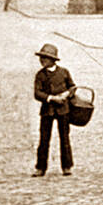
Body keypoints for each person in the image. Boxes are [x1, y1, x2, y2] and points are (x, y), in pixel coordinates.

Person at [32, 44, 74, 176]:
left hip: (63, 110)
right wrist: (51, 98)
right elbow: (37, 93)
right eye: (41, 58)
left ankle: (67, 166)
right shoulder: (40, 75)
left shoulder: (64, 72)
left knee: (65, 138)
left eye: (45, 58)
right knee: (44, 139)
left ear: (53, 60)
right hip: (47, 111)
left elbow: (72, 87)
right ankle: (41, 167)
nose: (42, 60)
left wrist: (65, 95)